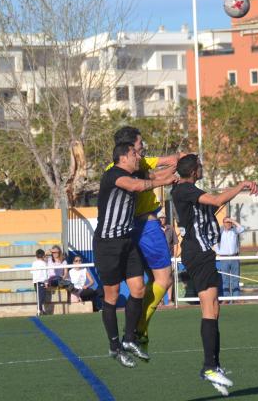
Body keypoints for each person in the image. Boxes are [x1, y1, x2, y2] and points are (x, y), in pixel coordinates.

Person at [171, 154, 258, 396]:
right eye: (199, 166)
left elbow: (212, 204)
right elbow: (218, 199)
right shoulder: (185, 190)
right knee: (209, 308)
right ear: (193, 170)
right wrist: (241, 185)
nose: (202, 168)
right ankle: (210, 367)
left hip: (202, 251)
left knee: (214, 309)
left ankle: (212, 365)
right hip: (197, 251)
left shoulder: (189, 189)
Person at [94, 142, 177, 368]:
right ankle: (114, 346)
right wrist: (163, 181)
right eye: (134, 153)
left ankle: (129, 338)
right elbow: (137, 186)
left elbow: (149, 175)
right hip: (108, 244)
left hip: (127, 241)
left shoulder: (134, 172)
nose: (137, 156)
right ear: (122, 157)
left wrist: (177, 165)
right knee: (110, 297)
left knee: (138, 289)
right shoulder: (114, 174)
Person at [110, 126, 185, 351]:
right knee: (163, 279)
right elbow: (151, 177)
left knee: (140, 286)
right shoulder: (128, 169)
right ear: (131, 147)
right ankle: (138, 329)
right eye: (140, 143)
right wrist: (175, 169)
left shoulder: (124, 166)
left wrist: (178, 162)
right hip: (146, 226)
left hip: (125, 231)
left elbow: (163, 163)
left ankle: (131, 333)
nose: (143, 147)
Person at [216, 217, 245, 300]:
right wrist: (218, 251)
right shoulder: (219, 231)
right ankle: (226, 299)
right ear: (223, 223)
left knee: (235, 279)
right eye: (227, 222)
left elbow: (242, 229)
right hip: (224, 258)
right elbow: (213, 241)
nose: (228, 224)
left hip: (234, 257)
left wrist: (233, 221)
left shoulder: (234, 230)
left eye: (230, 222)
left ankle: (236, 298)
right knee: (225, 280)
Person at [159, 211, 179, 306]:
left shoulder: (171, 228)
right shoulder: (155, 229)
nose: (161, 219)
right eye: (160, 218)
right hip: (158, 258)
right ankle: (161, 300)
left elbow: (175, 243)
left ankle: (170, 299)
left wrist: (175, 256)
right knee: (160, 279)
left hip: (169, 258)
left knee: (170, 278)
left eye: (163, 218)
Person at [31, 249, 48, 315]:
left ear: (36, 256)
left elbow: (32, 272)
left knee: (39, 296)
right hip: (41, 282)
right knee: (41, 297)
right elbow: (45, 274)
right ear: (43, 256)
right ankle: (39, 310)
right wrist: (46, 282)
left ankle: (41, 310)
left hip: (35, 282)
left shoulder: (34, 263)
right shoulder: (44, 263)